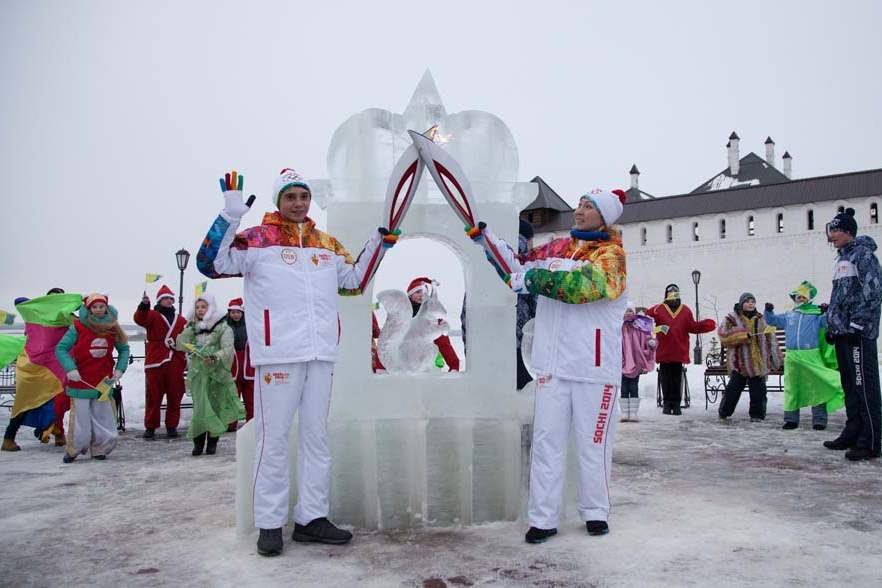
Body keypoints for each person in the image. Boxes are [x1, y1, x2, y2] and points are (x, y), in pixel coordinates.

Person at [196, 168, 398, 556]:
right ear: (278, 201)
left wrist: (380, 241)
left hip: (320, 354)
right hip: (277, 356)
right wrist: (230, 215)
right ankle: (269, 523)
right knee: (273, 442)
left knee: (316, 439)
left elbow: (354, 281)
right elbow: (211, 263)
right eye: (290, 197)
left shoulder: (326, 244)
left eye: (303, 196)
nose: (299, 203)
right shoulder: (257, 240)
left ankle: (311, 518)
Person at [471, 188, 628, 542]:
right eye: (580, 204)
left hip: (594, 368)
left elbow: (587, 287)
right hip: (552, 365)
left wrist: (534, 279)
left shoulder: (612, 255)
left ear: (604, 216)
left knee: (594, 444)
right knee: (546, 443)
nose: (580, 210)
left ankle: (595, 511)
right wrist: (487, 240)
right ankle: (542, 518)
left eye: (589, 207)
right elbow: (518, 268)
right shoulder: (557, 248)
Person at [822, 208, 882, 460]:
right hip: (843, 333)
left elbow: (873, 293)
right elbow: (842, 297)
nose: (831, 235)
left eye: (836, 230)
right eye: (831, 230)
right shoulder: (841, 259)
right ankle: (853, 430)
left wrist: (858, 324)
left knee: (864, 386)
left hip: (859, 334)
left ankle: (870, 440)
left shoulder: (863, 256)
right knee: (850, 386)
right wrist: (832, 322)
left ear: (848, 232)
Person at [55, 294, 130, 463]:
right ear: (89, 309)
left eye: (101, 306)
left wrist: (120, 369)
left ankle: (100, 448)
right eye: (94, 307)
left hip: (103, 381)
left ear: (106, 307)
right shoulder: (78, 326)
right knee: (80, 419)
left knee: (103, 416)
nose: (98, 310)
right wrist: (70, 368)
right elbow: (61, 349)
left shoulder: (112, 327)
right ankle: (74, 448)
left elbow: (124, 349)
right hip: (80, 380)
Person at [2, 290, 80, 452]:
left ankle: (58, 432)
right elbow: (19, 299)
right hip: (32, 366)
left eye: (58, 299)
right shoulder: (34, 314)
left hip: (54, 366)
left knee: (58, 400)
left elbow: (85, 323)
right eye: (51, 299)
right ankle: (9, 439)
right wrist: (30, 305)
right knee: (24, 402)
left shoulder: (66, 317)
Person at [764, 281, 844, 430]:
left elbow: (828, 323)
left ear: (809, 299)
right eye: (798, 296)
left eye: (803, 297)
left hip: (811, 356)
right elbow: (773, 321)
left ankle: (819, 420)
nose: (800, 299)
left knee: (817, 386)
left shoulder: (815, 315)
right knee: (792, 388)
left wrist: (826, 312)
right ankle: (791, 420)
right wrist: (768, 311)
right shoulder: (789, 316)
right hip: (793, 357)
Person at [176, 293, 244, 456]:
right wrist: (188, 332)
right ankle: (198, 442)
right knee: (200, 408)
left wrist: (214, 356)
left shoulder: (223, 327)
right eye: (197, 307)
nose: (200, 310)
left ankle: (212, 441)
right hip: (199, 374)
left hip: (217, 374)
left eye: (203, 307)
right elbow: (181, 344)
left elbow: (228, 349)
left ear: (211, 308)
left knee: (214, 407)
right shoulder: (193, 327)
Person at [647, 285, 716, 415]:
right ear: (666, 294)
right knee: (665, 378)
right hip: (664, 350)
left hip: (679, 349)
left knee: (677, 378)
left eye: (675, 292)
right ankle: (667, 403)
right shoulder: (658, 309)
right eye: (670, 292)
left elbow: (692, 326)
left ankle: (677, 403)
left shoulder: (685, 310)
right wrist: (657, 329)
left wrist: (707, 324)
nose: (673, 294)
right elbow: (646, 323)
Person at [717, 293, 782, 422]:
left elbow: (772, 339)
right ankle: (724, 412)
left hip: (758, 363)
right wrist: (742, 335)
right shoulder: (731, 318)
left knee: (759, 391)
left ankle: (757, 415)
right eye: (747, 301)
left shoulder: (761, 319)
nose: (751, 304)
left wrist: (776, 359)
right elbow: (723, 336)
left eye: (753, 301)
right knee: (733, 390)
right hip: (739, 363)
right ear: (741, 303)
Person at [134, 284, 187, 440]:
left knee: (175, 395)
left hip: (175, 361)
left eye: (170, 299)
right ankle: (150, 426)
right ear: (159, 301)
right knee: (153, 396)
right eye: (165, 299)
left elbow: (187, 337)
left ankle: (172, 426)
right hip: (156, 361)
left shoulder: (181, 319)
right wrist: (144, 305)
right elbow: (139, 319)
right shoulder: (151, 315)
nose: (169, 301)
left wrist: (179, 345)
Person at [406, 277, 460, 371]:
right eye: (418, 292)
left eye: (424, 292)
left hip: (427, 365)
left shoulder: (432, 317)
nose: (421, 295)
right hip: (406, 363)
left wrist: (454, 365)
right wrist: (380, 368)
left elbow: (444, 344)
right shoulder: (403, 314)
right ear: (410, 295)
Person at [620, 306, 656, 422]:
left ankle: (634, 413)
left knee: (634, 387)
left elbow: (648, 338)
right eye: (626, 311)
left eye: (630, 311)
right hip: (623, 362)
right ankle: (625, 413)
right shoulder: (619, 326)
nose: (628, 313)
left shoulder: (639, 326)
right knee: (624, 388)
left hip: (636, 361)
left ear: (634, 312)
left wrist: (651, 343)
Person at [226, 297, 254, 429]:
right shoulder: (224, 328)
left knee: (251, 399)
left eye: (238, 312)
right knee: (232, 398)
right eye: (233, 312)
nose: (235, 315)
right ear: (229, 313)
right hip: (232, 366)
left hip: (248, 366)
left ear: (242, 313)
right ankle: (231, 424)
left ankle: (252, 423)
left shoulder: (250, 326)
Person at [516, 218, 537, 389]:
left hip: (486, 341)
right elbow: (538, 307)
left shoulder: (491, 255)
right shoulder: (528, 263)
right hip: (521, 342)